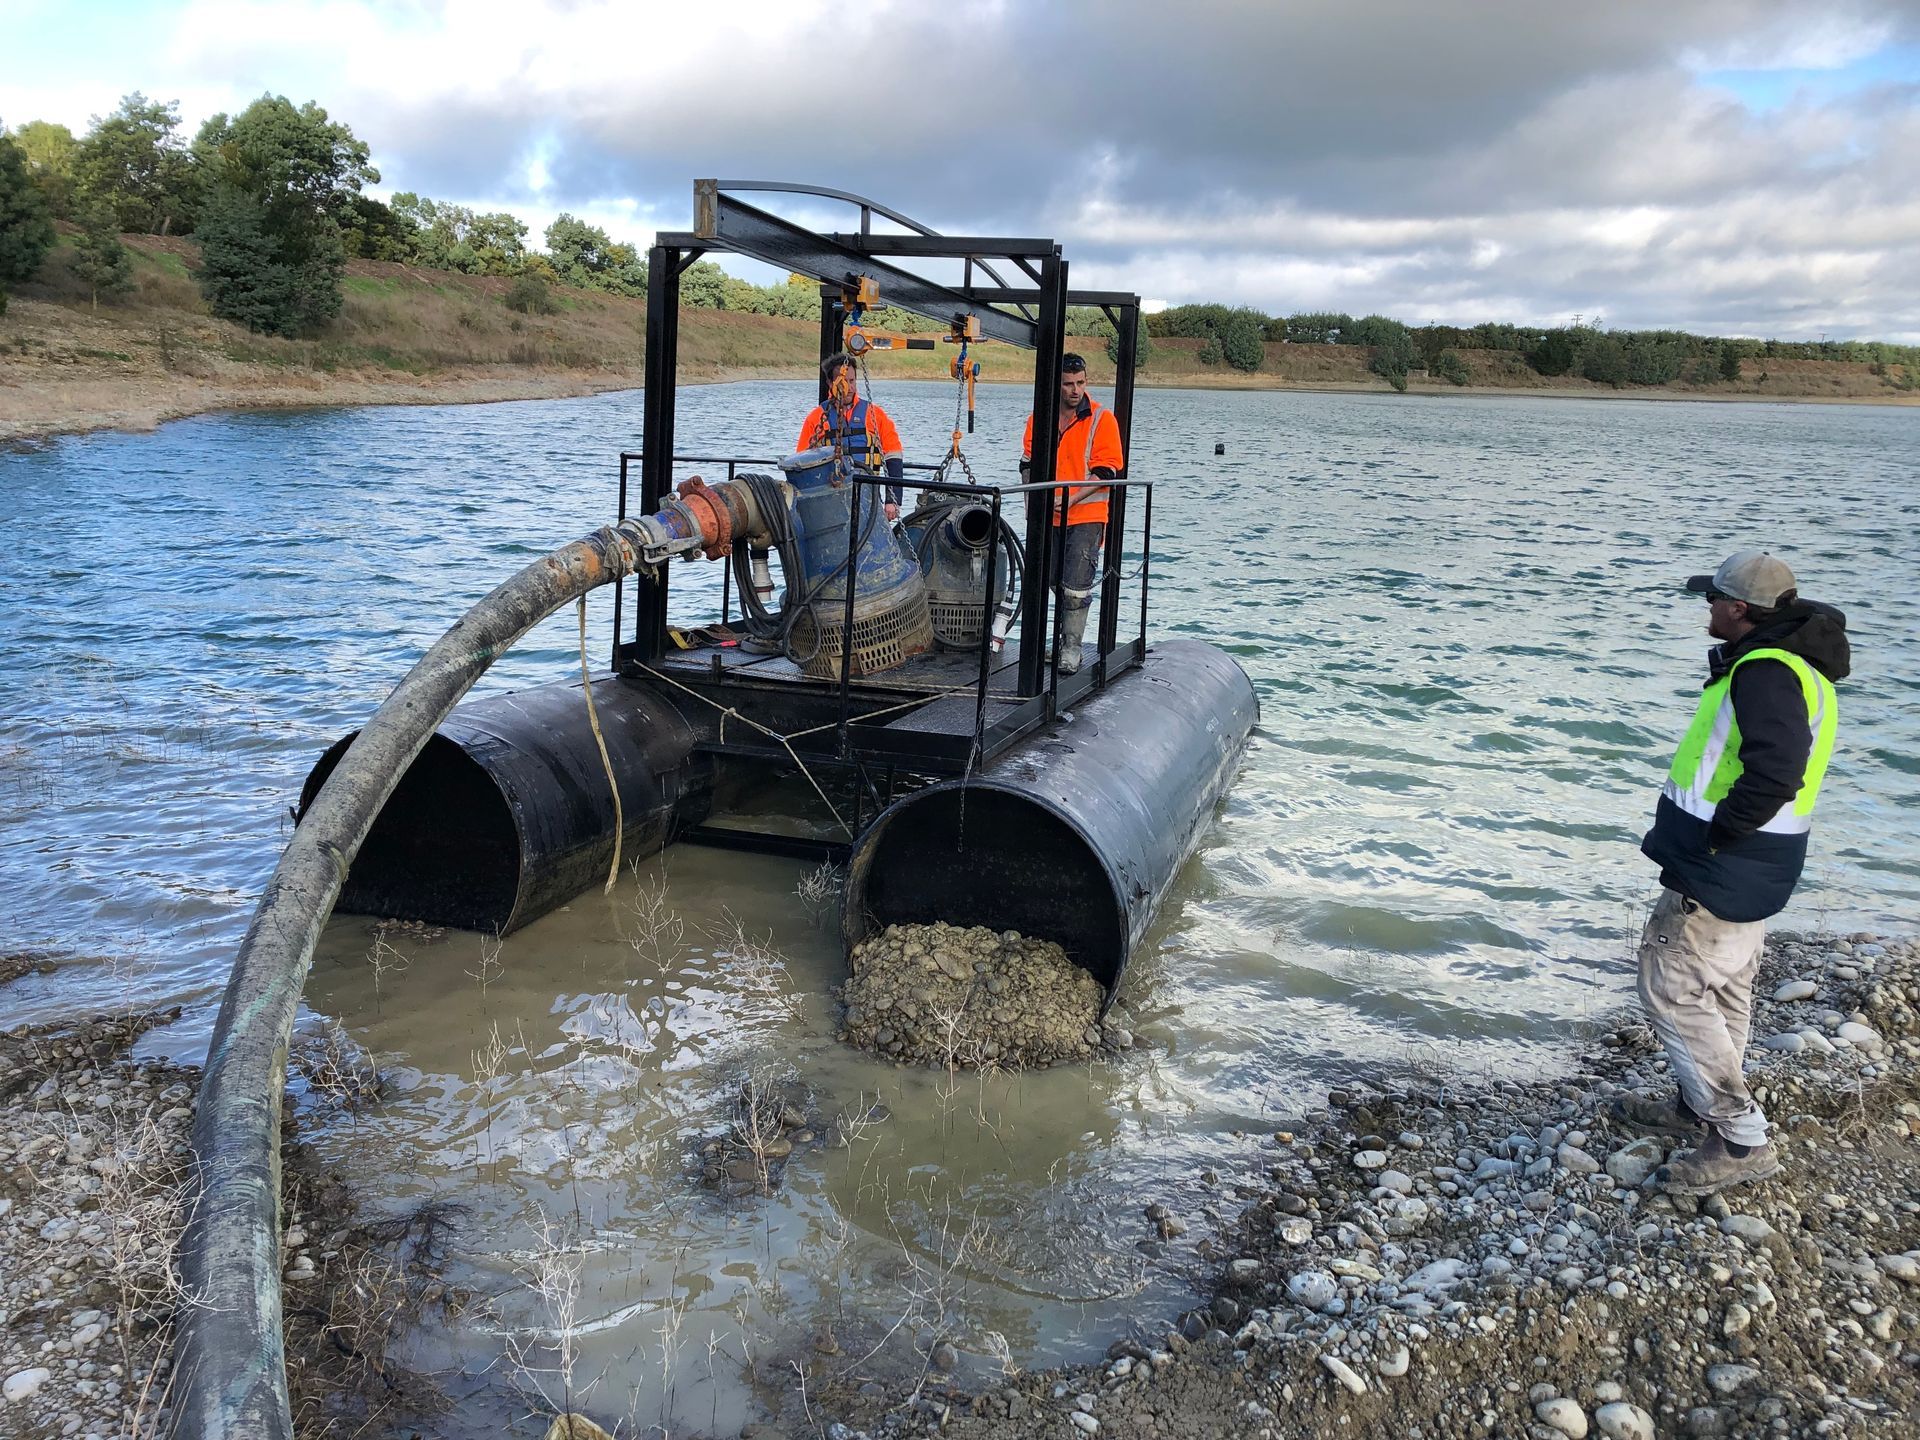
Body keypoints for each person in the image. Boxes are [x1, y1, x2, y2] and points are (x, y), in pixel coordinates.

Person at [1613, 549, 1850, 1196]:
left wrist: (1717, 837)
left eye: (1713, 599)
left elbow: (1775, 771)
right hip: (1762, 864)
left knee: (1669, 985)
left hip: (1725, 862)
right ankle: (1699, 1106)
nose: (1708, 609)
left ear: (1738, 609)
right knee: (1724, 987)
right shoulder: (1800, 669)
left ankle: (1740, 1139)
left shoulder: (1766, 671)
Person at [1020, 353, 1124, 674]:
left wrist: (1071, 498)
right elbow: (1027, 462)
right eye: (1068, 384)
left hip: (1087, 514)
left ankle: (1071, 648)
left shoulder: (1101, 418)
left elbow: (1107, 469)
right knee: (1048, 579)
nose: (1075, 390)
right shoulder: (1040, 417)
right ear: (1058, 385)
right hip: (1048, 514)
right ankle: (1053, 641)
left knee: (1077, 583)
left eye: (1080, 383)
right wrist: (1032, 503)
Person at [797, 353, 906, 522]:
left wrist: (893, 500)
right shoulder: (817, 418)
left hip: (869, 499)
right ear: (830, 383)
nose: (849, 387)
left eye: (852, 381)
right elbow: (802, 461)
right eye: (843, 381)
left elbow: (893, 456)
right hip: (830, 501)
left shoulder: (875, 415)